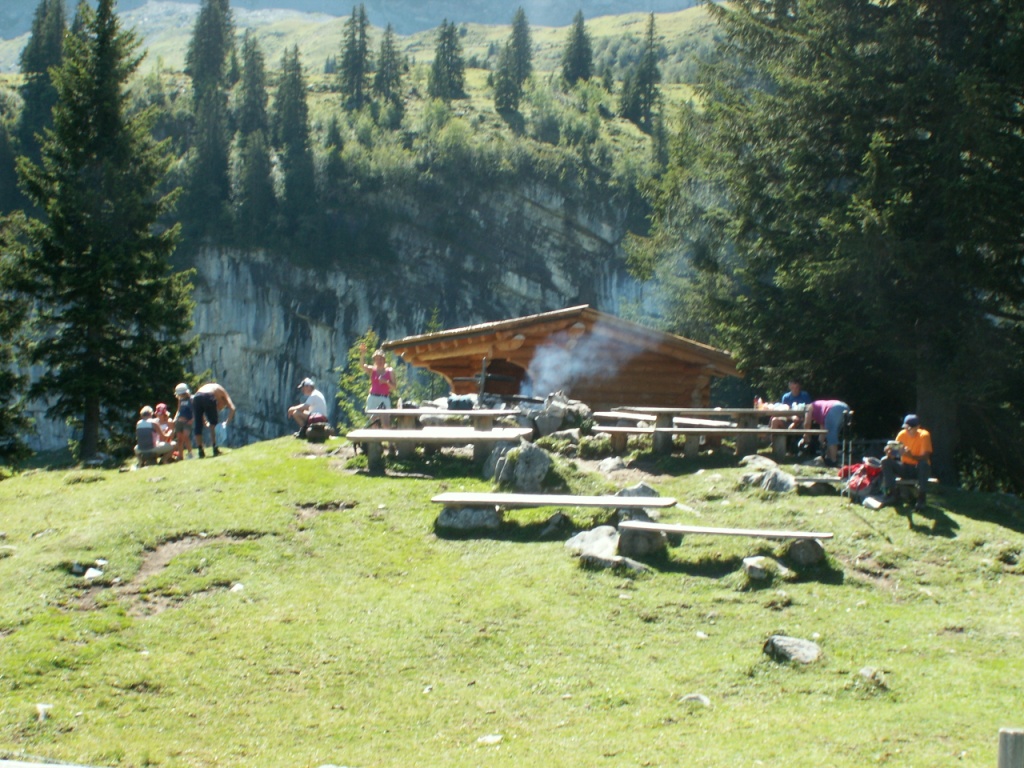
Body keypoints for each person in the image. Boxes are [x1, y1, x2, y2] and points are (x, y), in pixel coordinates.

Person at [881, 414, 933, 510]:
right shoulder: (902, 434)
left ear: (917, 427)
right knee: (885, 461)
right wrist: (889, 452)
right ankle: (892, 494)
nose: (907, 430)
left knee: (923, 465)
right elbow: (893, 454)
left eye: (910, 428)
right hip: (905, 467)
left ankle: (921, 499)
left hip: (918, 469)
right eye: (906, 428)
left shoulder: (924, 435)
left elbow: (925, 457)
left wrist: (911, 455)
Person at [192, 382, 236, 458]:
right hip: (208, 395)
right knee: (213, 424)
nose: (219, 409)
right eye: (222, 406)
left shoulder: (212, 389)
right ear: (222, 400)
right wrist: (226, 423)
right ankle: (215, 448)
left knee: (198, 425)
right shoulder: (222, 392)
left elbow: (200, 412)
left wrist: (205, 421)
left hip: (196, 397)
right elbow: (233, 408)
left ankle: (200, 451)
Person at [802, 399, 850, 467]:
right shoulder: (820, 412)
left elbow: (807, 423)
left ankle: (833, 461)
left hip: (834, 409)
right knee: (832, 435)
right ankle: (829, 458)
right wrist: (821, 443)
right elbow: (823, 431)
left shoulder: (809, 407)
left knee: (831, 435)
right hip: (844, 407)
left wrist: (806, 435)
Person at [360, 345, 395, 427]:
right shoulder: (372, 370)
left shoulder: (390, 371)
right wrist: (362, 354)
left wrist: (386, 382)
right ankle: (375, 440)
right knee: (374, 423)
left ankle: (389, 439)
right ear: (374, 360)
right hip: (373, 397)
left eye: (381, 358)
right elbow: (362, 365)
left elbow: (394, 387)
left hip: (384, 398)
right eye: (377, 359)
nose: (379, 361)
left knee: (386, 423)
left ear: (384, 359)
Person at [172, 382, 195, 459]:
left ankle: (190, 453)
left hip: (187, 421)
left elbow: (194, 410)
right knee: (179, 439)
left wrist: (192, 419)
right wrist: (175, 418)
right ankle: (180, 456)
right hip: (179, 421)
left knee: (186, 437)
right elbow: (179, 410)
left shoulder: (191, 399)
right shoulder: (180, 400)